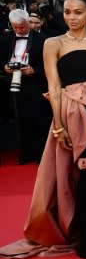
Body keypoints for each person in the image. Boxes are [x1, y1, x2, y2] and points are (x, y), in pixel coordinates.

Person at [0, 0, 86, 259]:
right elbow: (54, 86)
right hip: (73, 115)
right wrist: (59, 125)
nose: (72, 17)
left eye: (78, 12)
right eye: (68, 12)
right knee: (82, 171)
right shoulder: (53, 43)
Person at [1, 9, 51, 164]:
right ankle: (24, 154)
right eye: (15, 27)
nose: (19, 30)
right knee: (20, 119)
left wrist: (34, 70)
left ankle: (41, 155)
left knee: (39, 118)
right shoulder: (4, 38)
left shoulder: (43, 40)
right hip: (9, 83)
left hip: (35, 83)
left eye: (22, 27)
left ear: (28, 23)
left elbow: (50, 63)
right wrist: (4, 67)